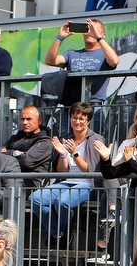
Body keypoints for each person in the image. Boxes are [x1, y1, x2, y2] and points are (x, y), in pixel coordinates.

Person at [28, 102, 112, 243]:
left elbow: (89, 171)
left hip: (87, 184)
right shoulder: (66, 138)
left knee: (63, 202)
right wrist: (62, 154)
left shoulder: (95, 139)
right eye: (74, 117)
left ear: (88, 121)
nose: (77, 122)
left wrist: (74, 153)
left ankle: (63, 232)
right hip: (67, 182)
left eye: (81, 119)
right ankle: (58, 233)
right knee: (35, 198)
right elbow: (62, 171)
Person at [43, 19, 119, 104]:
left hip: (94, 104)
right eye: (87, 29)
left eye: (93, 29)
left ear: (102, 35)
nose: (90, 32)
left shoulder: (105, 54)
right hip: (72, 106)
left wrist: (98, 37)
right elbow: (50, 61)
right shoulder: (72, 54)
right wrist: (59, 38)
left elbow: (114, 61)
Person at [1, 106, 53, 190]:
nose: (25, 122)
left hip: (28, 185)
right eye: (22, 119)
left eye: (29, 119)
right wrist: (14, 153)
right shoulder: (15, 138)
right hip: (7, 179)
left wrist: (8, 153)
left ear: (39, 120)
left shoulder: (45, 142)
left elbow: (26, 161)